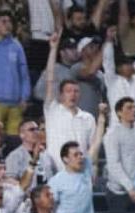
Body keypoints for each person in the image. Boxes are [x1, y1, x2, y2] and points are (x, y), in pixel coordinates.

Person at [47, 105, 106, 213]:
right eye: (75, 155)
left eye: (81, 154)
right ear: (65, 159)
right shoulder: (56, 181)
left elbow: (97, 142)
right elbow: (48, 210)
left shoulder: (86, 168)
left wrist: (101, 118)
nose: (80, 157)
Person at [43, 32, 97, 172]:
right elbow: (50, 79)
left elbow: (93, 148)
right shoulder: (53, 110)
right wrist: (53, 49)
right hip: (57, 174)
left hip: (81, 175)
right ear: (60, 95)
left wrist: (93, 170)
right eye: (68, 91)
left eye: (76, 91)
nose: (73, 94)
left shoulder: (88, 118)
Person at [103, 97, 135, 213]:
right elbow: (114, 165)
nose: (134, 110)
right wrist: (129, 187)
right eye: (129, 108)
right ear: (119, 113)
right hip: (119, 193)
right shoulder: (112, 134)